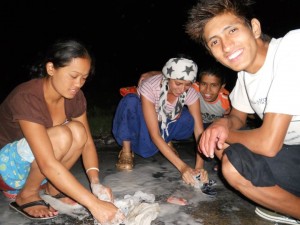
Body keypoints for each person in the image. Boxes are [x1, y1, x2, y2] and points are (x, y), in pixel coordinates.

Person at [185, 0, 300, 224]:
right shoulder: (247, 76)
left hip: (282, 147)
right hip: (294, 152)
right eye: (215, 41)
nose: (226, 46)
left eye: (232, 30)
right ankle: (286, 204)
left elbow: (268, 143)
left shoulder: (292, 47)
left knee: (225, 148)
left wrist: (223, 132)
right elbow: (236, 117)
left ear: (254, 28)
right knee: (223, 149)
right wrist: (221, 124)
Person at [0, 39, 124, 223]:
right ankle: (27, 194)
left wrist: (95, 182)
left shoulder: (75, 97)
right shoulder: (27, 97)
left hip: (40, 169)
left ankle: (53, 188)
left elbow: (87, 142)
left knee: (78, 131)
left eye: (83, 78)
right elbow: (47, 162)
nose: (78, 84)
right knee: (62, 135)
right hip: (7, 171)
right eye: (73, 76)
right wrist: (93, 204)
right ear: (51, 69)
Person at [112, 57, 209, 186]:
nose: (182, 89)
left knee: (187, 118)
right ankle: (126, 150)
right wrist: (182, 167)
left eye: (187, 84)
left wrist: (199, 166)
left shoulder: (190, 93)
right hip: (142, 123)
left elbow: (199, 132)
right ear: (166, 78)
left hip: (163, 122)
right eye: (178, 83)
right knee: (130, 100)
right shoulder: (150, 87)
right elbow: (154, 135)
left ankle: (167, 139)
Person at [192, 68, 231, 172]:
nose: (207, 90)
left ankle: (226, 161)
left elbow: (233, 120)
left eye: (213, 85)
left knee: (211, 152)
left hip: (214, 126)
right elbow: (175, 79)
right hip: (195, 123)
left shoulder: (227, 100)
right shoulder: (194, 88)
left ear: (222, 86)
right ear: (198, 83)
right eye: (203, 84)